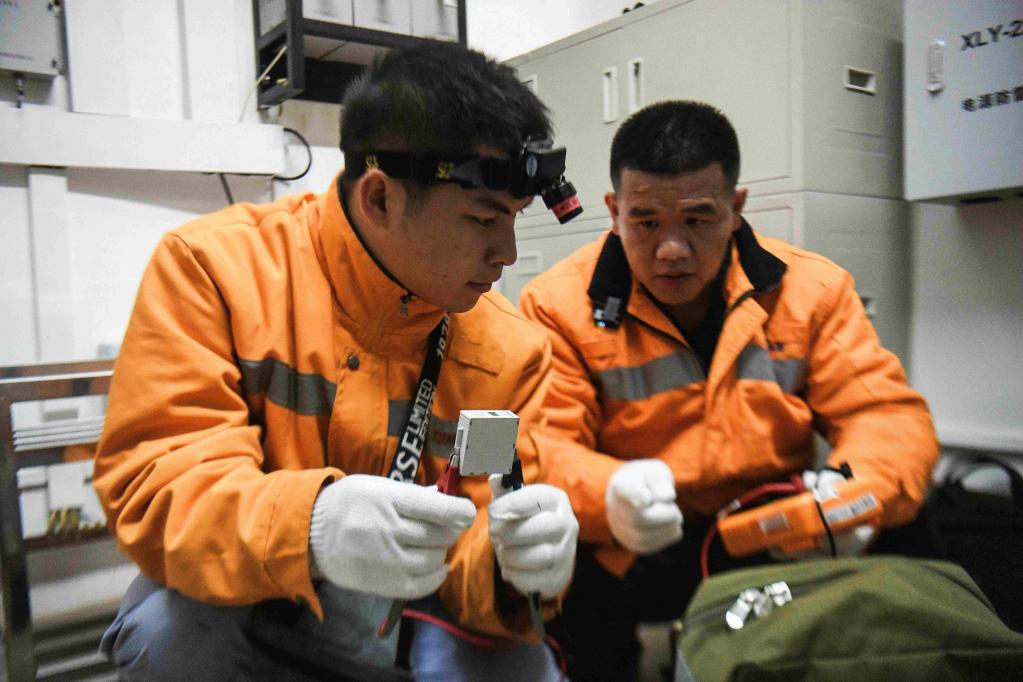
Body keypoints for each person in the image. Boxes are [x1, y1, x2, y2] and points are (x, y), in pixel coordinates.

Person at [93, 42, 579, 681]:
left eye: (513, 219)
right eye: (482, 218)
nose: (507, 253)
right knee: (171, 636)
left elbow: (482, 526)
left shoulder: (506, 351)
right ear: (380, 199)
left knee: (525, 666)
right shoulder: (215, 272)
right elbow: (162, 485)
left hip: (406, 619)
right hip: (253, 602)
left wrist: (514, 567)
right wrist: (311, 524)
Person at [518, 100, 940, 680]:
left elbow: (884, 415)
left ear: (736, 209)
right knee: (559, 568)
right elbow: (543, 446)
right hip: (640, 541)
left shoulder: (812, 290)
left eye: (697, 219)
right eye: (645, 222)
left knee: (908, 528)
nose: (671, 249)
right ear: (614, 212)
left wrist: (853, 497)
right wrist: (608, 494)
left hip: (777, 527)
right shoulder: (556, 304)